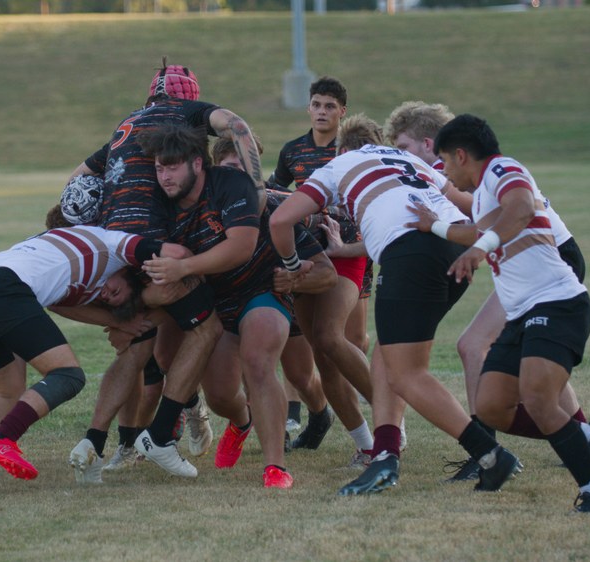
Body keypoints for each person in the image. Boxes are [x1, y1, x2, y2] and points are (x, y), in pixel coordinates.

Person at [270, 113, 522, 496]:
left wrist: (291, 266)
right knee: (387, 356)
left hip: (410, 252)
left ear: (340, 150)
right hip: (454, 246)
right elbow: (468, 204)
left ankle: (489, 454)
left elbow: (280, 220)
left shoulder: (337, 165)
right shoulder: (408, 160)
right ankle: (385, 457)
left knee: (407, 374)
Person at [66, 60, 265, 484]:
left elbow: (76, 182)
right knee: (203, 328)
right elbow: (239, 128)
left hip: (107, 245)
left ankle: (95, 440)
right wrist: (258, 188)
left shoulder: (127, 124)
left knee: (137, 341)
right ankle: (163, 430)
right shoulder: (186, 114)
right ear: (189, 97)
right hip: (149, 244)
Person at [413, 113, 590, 512]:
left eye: (448, 164)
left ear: (462, 154)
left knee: (538, 397)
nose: (448, 175)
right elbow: (476, 229)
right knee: (491, 408)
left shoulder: (504, 168)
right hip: (523, 312)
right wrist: (434, 227)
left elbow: (521, 207)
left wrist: (479, 249)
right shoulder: (486, 194)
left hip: (557, 301)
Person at [0, 223, 180, 496]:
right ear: (128, 270)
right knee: (68, 375)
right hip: (0, 291)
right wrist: (190, 268)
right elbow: (176, 254)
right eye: (114, 291)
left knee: (4, 397)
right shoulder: (115, 245)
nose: (105, 295)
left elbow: (58, 301)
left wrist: (117, 323)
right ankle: (3, 439)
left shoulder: (62, 250)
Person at [138, 123, 336, 488]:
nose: (240, 180)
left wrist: (294, 277)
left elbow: (326, 273)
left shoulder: (270, 204)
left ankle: (275, 466)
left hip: (262, 292)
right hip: (215, 306)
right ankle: (242, 420)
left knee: (262, 362)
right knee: (220, 395)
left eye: (246, 171)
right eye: (159, 168)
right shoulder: (165, 209)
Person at [266, 76, 375, 460]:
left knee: (344, 338)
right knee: (324, 356)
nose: (322, 112)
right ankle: (367, 444)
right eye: (317, 104)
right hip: (310, 253)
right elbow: (275, 196)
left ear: (342, 111)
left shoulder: (354, 150)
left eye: (330, 106)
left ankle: (391, 412)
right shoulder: (293, 150)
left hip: (350, 252)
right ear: (308, 107)